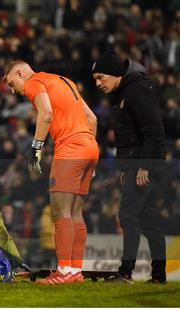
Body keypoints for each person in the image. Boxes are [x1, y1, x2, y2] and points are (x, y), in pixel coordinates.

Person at [4, 60, 99, 284]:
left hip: (70, 148)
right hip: (89, 146)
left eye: (11, 82)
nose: (12, 89)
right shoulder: (65, 81)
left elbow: (45, 114)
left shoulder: (34, 83)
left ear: (19, 72)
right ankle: (75, 272)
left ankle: (64, 271)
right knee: (76, 213)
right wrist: (90, 155)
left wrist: (36, 148)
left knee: (60, 212)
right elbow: (92, 119)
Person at [92, 53, 167, 284]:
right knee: (150, 222)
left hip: (144, 164)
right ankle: (158, 276)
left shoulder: (136, 90)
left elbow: (154, 130)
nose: (98, 83)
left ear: (116, 74)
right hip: (138, 164)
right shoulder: (127, 91)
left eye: (101, 77)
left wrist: (144, 166)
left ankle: (126, 273)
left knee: (128, 216)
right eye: (95, 78)